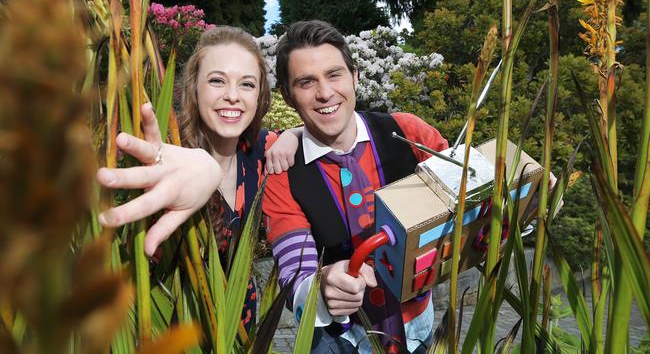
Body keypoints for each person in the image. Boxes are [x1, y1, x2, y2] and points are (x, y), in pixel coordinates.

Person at [261, 20, 448, 353]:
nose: (325, 92)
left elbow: (472, 191)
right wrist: (320, 286)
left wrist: (526, 191)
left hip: (420, 325)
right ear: (288, 97)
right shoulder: (283, 172)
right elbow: (294, 271)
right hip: (340, 340)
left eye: (334, 75)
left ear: (355, 76)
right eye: (306, 82)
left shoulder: (407, 132)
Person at [97, 25, 300, 331]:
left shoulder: (261, 151)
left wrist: (295, 134)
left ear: (260, 96)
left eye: (247, 84)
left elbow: (330, 126)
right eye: (217, 80)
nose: (232, 96)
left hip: (240, 327)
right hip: (169, 329)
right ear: (193, 88)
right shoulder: (165, 155)